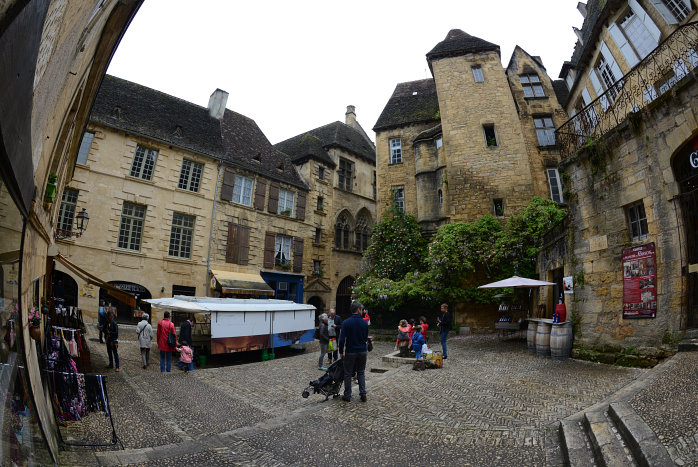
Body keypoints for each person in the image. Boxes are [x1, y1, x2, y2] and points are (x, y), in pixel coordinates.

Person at [338, 301, 369, 402]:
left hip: (351, 350)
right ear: (359, 310)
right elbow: (365, 338)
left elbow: (342, 339)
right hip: (362, 350)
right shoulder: (364, 323)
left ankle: (347, 395)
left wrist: (341, 351)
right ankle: (363, 393)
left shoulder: (346, 322)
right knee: (361, 372)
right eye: (361, 309)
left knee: (348, 373)